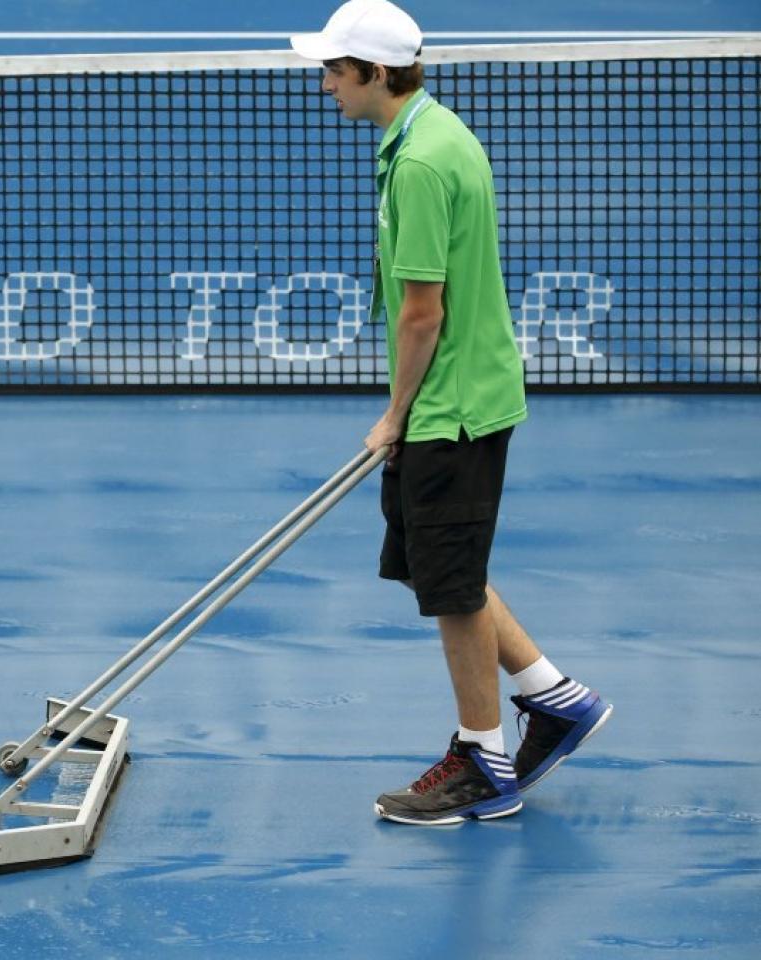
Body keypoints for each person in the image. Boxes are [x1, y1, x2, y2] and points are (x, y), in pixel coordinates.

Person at [291, 0, 612, 824]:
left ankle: (485, 760)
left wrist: (395, 414)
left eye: (335, 68)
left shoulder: (424, 163)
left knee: (453, 587)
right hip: (453, 400)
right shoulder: (425, 137)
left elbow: (422, 311)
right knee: (442, 568)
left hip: (451, 410)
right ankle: (554, 698)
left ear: (375, 73)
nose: (324, 82)